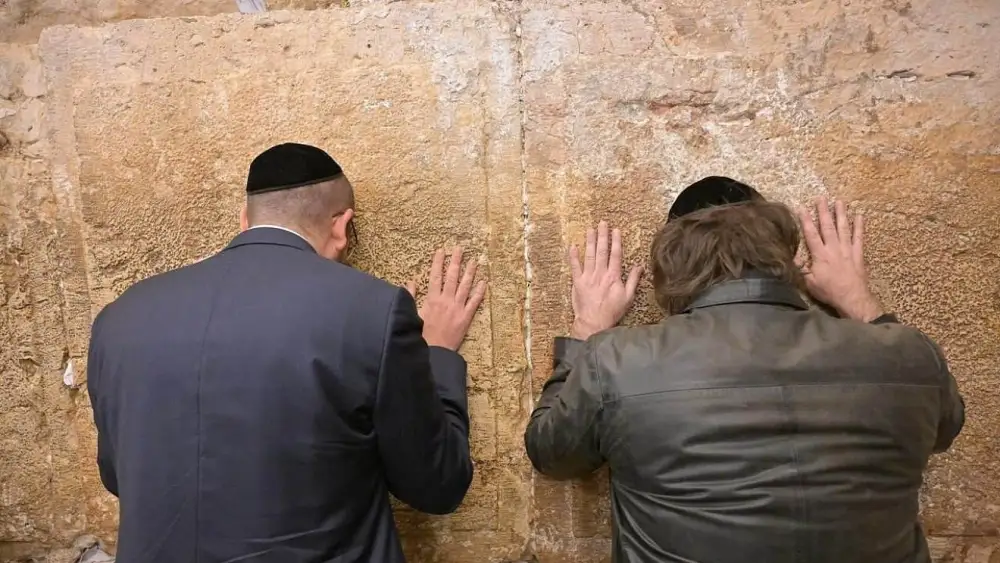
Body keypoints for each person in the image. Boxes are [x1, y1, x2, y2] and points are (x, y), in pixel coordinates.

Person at [524, 182, 965, 563]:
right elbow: (946, 426)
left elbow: (553, 454)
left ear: (672, 271)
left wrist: (586, 333)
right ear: (786, 261)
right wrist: (861, 302)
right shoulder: (908, 353)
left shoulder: (617, 360)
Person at [86, 142, 486, 563]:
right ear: (341, 226)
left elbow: (118, 475)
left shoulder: (121, 317)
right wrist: (436, 355)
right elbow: (438, 484)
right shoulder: (374, 311)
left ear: (245, 221)